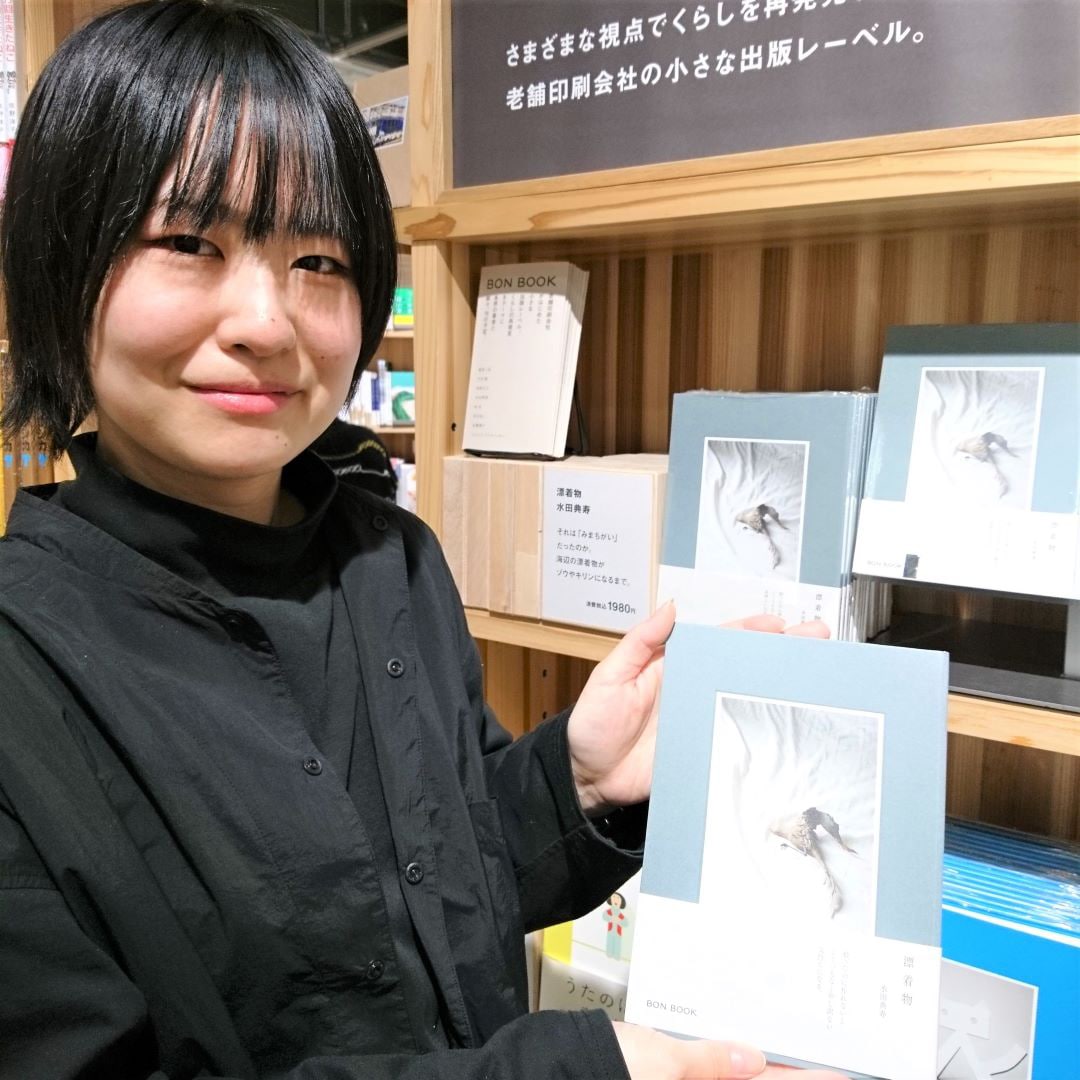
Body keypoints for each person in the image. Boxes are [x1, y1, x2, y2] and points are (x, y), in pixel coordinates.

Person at [0, 3, 841, 1078]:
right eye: (189, 243)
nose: (269, 322)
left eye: (318, 259)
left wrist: (577, 782)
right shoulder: (23, 668)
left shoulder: (389, 558)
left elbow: (438, 881)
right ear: (60, 264)